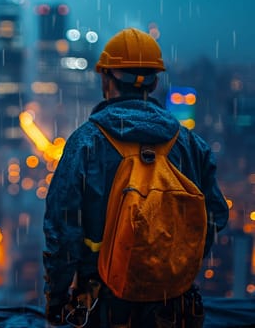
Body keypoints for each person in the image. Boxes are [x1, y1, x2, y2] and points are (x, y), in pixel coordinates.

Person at [42, 28, 229, 327]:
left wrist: (56, 301)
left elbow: (62, 231)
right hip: (173, 306)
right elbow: (215, 216)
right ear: (155, 82)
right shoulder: (191, 145)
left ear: (106, 79)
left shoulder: (85, 143)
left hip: (104, 306)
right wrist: (171, 265)